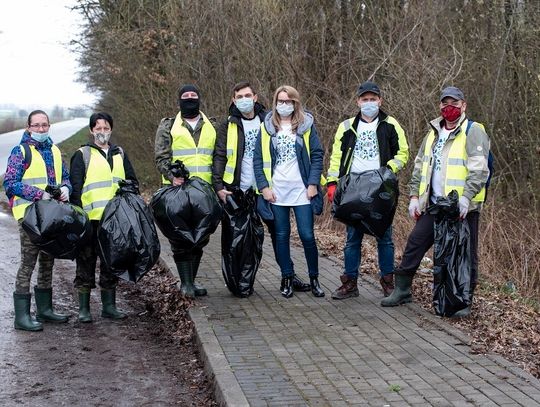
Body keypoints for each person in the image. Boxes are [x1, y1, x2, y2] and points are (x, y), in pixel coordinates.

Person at [381, 86, 490, 317]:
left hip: (463, 207)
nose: (448, 107)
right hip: (434, 204)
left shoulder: (473, 131)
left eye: (454, 103)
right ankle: (402, 289)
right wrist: (413, 197)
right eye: (445, 103)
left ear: (463, 105)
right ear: (440, 105)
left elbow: (480, 169)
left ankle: (464, 299)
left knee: (466, 253)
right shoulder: (432, 133)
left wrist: (466, 197)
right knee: (415, 244)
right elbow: (420, 166)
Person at [212, 81, 311, 294]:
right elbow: (220, 155)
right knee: (239, 238)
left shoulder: (268, 121)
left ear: (255, 97)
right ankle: (241, 281)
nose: (244, 100)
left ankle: (289, 275)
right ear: (233, 100)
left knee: (278, 233)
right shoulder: (227, 125)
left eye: (247, 95)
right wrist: (218, 186)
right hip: (238, 190)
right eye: (239, 97)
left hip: (266, 189)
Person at [326, 81, 409, 300]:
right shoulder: (346, 127)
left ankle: (388, 283)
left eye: (373, 99)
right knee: (353, 238)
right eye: (365, 99)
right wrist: (332, 183)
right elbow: (336, 157)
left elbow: (403, 153)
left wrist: (388, 170)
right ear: (358, 102)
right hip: (353, 188)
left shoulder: (391, 125)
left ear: (380, 101)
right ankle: (350, 283)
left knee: (385, 238)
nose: (369, 103)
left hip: (380, 189)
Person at [253, 85, 324, 298]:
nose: (284, 105)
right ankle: (286, 277)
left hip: (302, 190)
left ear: (295, 103)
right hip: (277, 191)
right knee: (281, 236)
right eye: (280, 101)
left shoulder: (307, 125)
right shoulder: (266, 128)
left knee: (307, 235)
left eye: (288, 101)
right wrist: (264, 188)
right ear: (275, 103)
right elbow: (258, 160)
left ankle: (314, 279)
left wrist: (312, 184)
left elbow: (318, 155)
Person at [3, 110, 70, 331]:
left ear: (49, 126)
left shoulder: (55, 150)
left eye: (44, 125)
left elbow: (65, 177)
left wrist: (65, 189)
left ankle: (45, 310)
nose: (41, 129)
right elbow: (10, 183)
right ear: (28, 127)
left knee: (48, 261)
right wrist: (39, 194)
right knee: (28, 262)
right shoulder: (20, 151)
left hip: (51, 215)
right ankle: (21, 317)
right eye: (36, 125)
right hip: (30, 216)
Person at [70, 112, 138, 323]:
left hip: (114, 220)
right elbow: (76, 188)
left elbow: (132, 182)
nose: (102, 132)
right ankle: (84, 309)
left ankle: (109, 306)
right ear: (91, 131)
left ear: (111, 129)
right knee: (86, 263)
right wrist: (78, 217)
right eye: (98, 128)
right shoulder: (82, 155)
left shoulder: (120, 154)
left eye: (105, 128)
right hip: (90, 220)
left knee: (111, 262)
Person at [155, 84, 217, 298]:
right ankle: (186, 283)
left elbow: (219, 156)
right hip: (177, 193)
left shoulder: (212, 125)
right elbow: (161, 157)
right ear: (179, 100)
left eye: (193, 95)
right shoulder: (168, 126)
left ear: (200, 99)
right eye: (185, 96)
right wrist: (172, 175)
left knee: (201, 237)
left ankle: (191, 280)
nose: (190, 98)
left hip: (206, 192)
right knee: (180, 238)